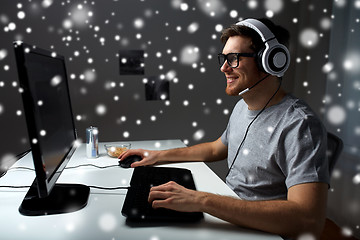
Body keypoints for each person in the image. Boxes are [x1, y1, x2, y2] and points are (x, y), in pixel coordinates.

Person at [119, 18, 329, 239]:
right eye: (224, 58)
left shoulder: (299, 125)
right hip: (229, 217)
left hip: (260, 232)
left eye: (234, 58)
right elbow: (215, 149)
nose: (224, 67)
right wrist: (157, 157)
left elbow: (309, 220)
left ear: (269, 61)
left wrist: (201, 200)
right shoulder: (242, 106)